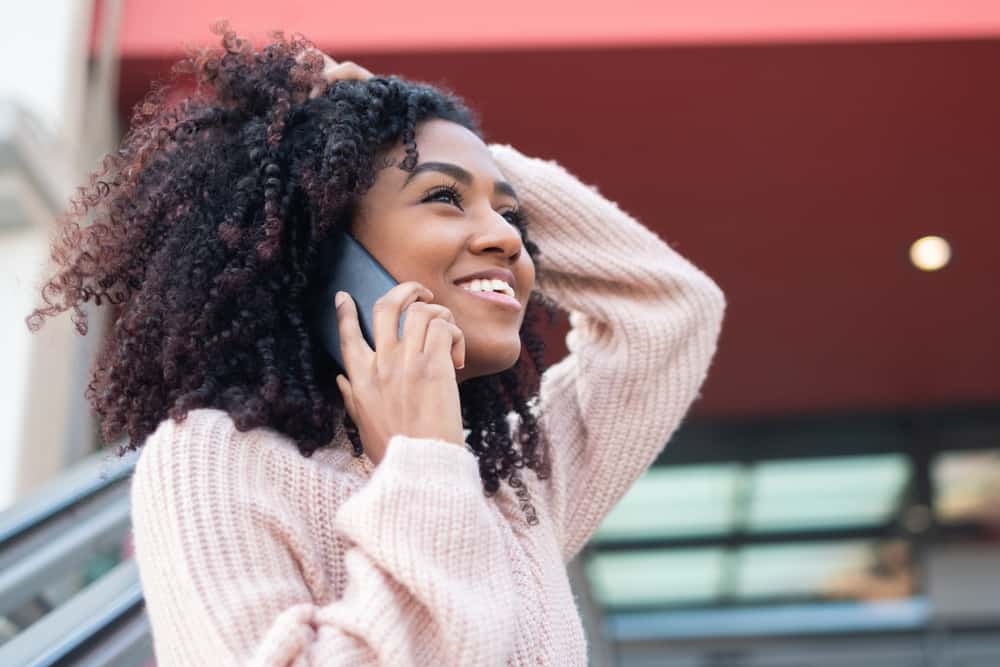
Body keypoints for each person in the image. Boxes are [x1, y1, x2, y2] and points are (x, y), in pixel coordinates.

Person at [25, 22, 727, 667]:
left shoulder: (512, 492)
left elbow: (672, 310)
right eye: (443, 200)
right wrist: (422, 469)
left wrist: (445, 145)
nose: (511, 239)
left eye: (511, 216)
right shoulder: (213, 460)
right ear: (327, 248)